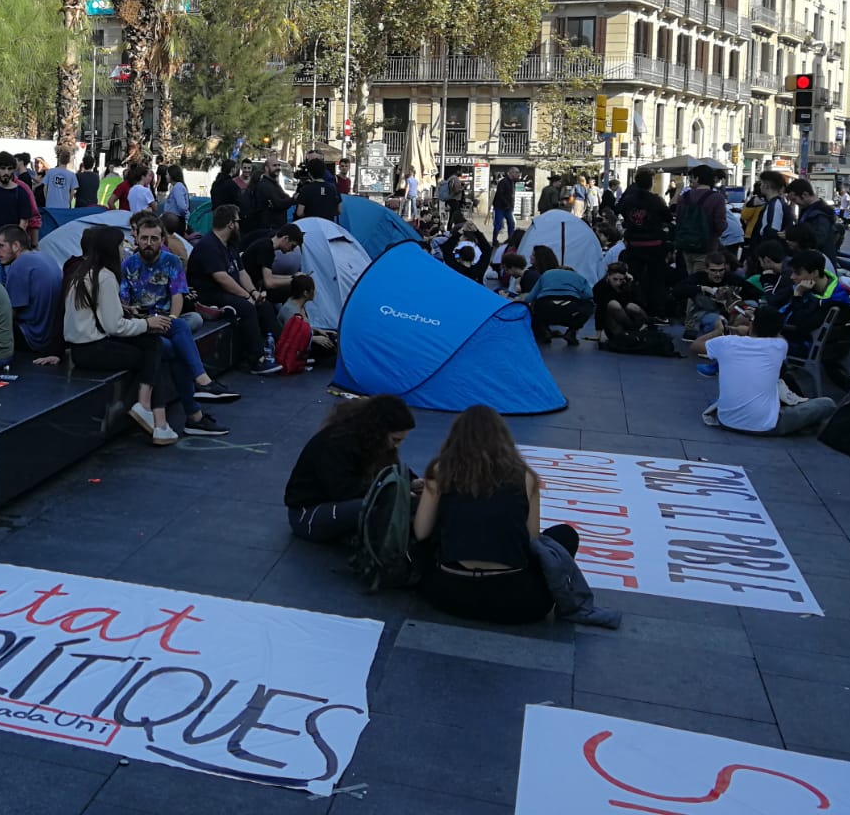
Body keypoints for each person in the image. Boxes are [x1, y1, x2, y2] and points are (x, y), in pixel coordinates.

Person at [412, 405, 579, 624]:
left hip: (447, 594)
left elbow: (421, 532)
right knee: (565, 535)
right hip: (520, 603)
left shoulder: (440, 470)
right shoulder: (526, 476)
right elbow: (531, 539)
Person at [62, 224, 184, 446]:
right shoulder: (106, 276)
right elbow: (114, 327)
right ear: (111, 248)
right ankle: (153, 415)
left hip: (80, 347)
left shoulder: (83, 272)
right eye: (121, 244)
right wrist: (148, 323)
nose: (125, 248)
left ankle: (156, 419)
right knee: (153, 351)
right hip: (94, 349)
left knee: (151, 344)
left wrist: (132, 317)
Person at [121, 213, 238, 422]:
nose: (149, 243)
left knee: (181, 326)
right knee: (178, 345)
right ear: (137, 239)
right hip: (142, 325)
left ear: (162, 240)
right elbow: (124, 304)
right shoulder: (128, 265)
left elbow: (177, 295)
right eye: (145, 238)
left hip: (166, 322)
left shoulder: (171, 261)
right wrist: (144, 319)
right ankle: (198, 400)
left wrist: (172, 318)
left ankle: (196, 407)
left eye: (154, 239)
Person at [285, 396, 417, 543]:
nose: (397, 446)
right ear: (379, 431)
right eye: (395, 440)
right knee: (377, 505)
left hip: (334, 505)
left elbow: (389, 470)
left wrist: (412, 481)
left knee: (392, 501)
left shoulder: (372, 442)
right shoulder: (336, 442)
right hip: (307, 514)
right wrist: (392, 491)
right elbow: (345, 490)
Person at [693, 308, 837, 435]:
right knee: (827, 403)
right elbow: (777, 335)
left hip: (726, 421)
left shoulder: (727, 342)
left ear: (751, 325)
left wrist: (718, 331)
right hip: (766, 426)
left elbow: (696, 345)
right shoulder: (780, 345)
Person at [186, 205, 281, 375]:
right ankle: (256, 360)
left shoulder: (230, 246)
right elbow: (222, 278)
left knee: (264, 306)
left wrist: (254, 293)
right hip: (208, 294)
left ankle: (281, 349)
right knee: (247, 308)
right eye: (238, 221)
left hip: (224, 291)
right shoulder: (208, 245)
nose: (239, 225)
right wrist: (246, 297)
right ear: (230, 224)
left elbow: (241, 273)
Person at [0, 225, 63, 361]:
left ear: (16, 245)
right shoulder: (45, 256)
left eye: (0, 246)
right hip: (52, 338)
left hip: (32, 337)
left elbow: (10, 312)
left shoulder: (20, 264)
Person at [617, 169, 673, 320]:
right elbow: (667, 217)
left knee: (633, 278)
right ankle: (658, 312)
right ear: (651, 183)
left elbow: (620, 211)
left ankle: (633, 308)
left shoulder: (628, 200)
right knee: (657, 280)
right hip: (654, 244)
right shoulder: (656, 200)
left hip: (634, 243)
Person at [670, 251, 763, 340]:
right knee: (718, 321)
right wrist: (703, 288)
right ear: (706, 269)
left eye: (721, 270)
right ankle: (716, 331)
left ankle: (731, 331)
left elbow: (755, 293)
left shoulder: (731, 278)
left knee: (752, 304)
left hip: (729, 312)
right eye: (713, 270)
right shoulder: (699, 278)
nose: (718, 274)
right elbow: (677, 291)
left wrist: (744, 306)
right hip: (706, 313)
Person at [776, 248, 850, 351]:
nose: (792, 277)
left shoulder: (831, 302)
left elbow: (798, 325)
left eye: (797, 273)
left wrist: (798, 295)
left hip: (807, 346)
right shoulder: (836, 290)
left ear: (814, 273)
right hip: (830, 347)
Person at [0, 151, 35, 281]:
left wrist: (15, 248)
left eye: (9, 168)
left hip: (12, 252)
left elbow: (24, 223)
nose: (6, 172)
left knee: (12, 287)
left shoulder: (21, 192)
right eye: (2, 168)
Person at [673, 165, 727, 276]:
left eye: (691, 178)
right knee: (702, 279)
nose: (690, 181)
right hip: (707, 246)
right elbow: (720, 224)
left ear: (697, 178)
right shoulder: (717, 198)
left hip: (686, 245)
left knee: (690, 277)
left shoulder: (684, 197)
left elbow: (678, 219)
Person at [525, 264, 593, 346]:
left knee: (535, 304)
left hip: (545, 307)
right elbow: (589, 295)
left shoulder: (547, 274)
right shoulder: (579, 277)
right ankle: (572, 331)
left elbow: (529, 297)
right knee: (589, 305)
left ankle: (544, 331)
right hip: (570, 309)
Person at [241, 222, 304, 298]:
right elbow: (269, 283)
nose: (292, 250)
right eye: (292, 246)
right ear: (285, 238)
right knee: (293, 290)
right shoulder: (267, 249)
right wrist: (294, 281)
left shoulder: (266, 244)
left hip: (251, 285)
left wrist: (293, 277)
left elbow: (269, 276)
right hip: (247, 287)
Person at [593, 262, 650, 339]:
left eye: (621, 279)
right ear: (608, 276)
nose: (618, 283)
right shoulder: (600, 287)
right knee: (613, 304)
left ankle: (641, 329)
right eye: (615, 279)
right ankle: (632, 332)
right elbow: (600, 309)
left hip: (630, 318)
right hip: (612, 320)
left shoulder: (628, 283)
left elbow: (642, 303)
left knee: (631, 306)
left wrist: (632, 284)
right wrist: (598, 333)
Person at [786, 179, 840, 255]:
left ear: (805, 195)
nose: (795, 203)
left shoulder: (820, 214)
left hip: (818, 260)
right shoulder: (808, 210)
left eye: (794, 199)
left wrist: (795, 237)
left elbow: (819, 240)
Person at [244, 158, 289, 233]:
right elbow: (278, 203)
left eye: (279, 165)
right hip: (266, 227)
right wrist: (293, 199)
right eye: (274, 165)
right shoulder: (264, 186)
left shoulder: (274, 185)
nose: (278, 167)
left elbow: (284, 198)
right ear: (266, 169)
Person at [491, 168, 519, 246]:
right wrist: (506, 203)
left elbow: (511, 195)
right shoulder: (503, 182)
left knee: (511, 223)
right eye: (516, 173)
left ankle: (511, 240)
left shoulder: (512, 182)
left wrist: (510, 205)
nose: (518, 174)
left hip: (507, 207)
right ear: (511, 173)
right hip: (500, 207)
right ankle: (494, 240)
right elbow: (500, 194)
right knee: (498, 225)